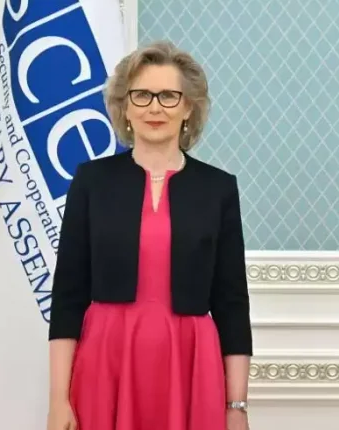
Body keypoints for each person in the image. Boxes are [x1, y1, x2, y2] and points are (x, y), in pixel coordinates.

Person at [46, 41, 252, 430]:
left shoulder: (218, 188)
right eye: (141, 95)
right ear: (124, 107)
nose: (154, 108)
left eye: (169, 96)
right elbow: (68, 298)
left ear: (188, 108)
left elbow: (232, 304)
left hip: (191, 365)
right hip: (106, 363)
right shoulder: (91, 182)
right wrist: (58, 400)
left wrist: (236, 407)